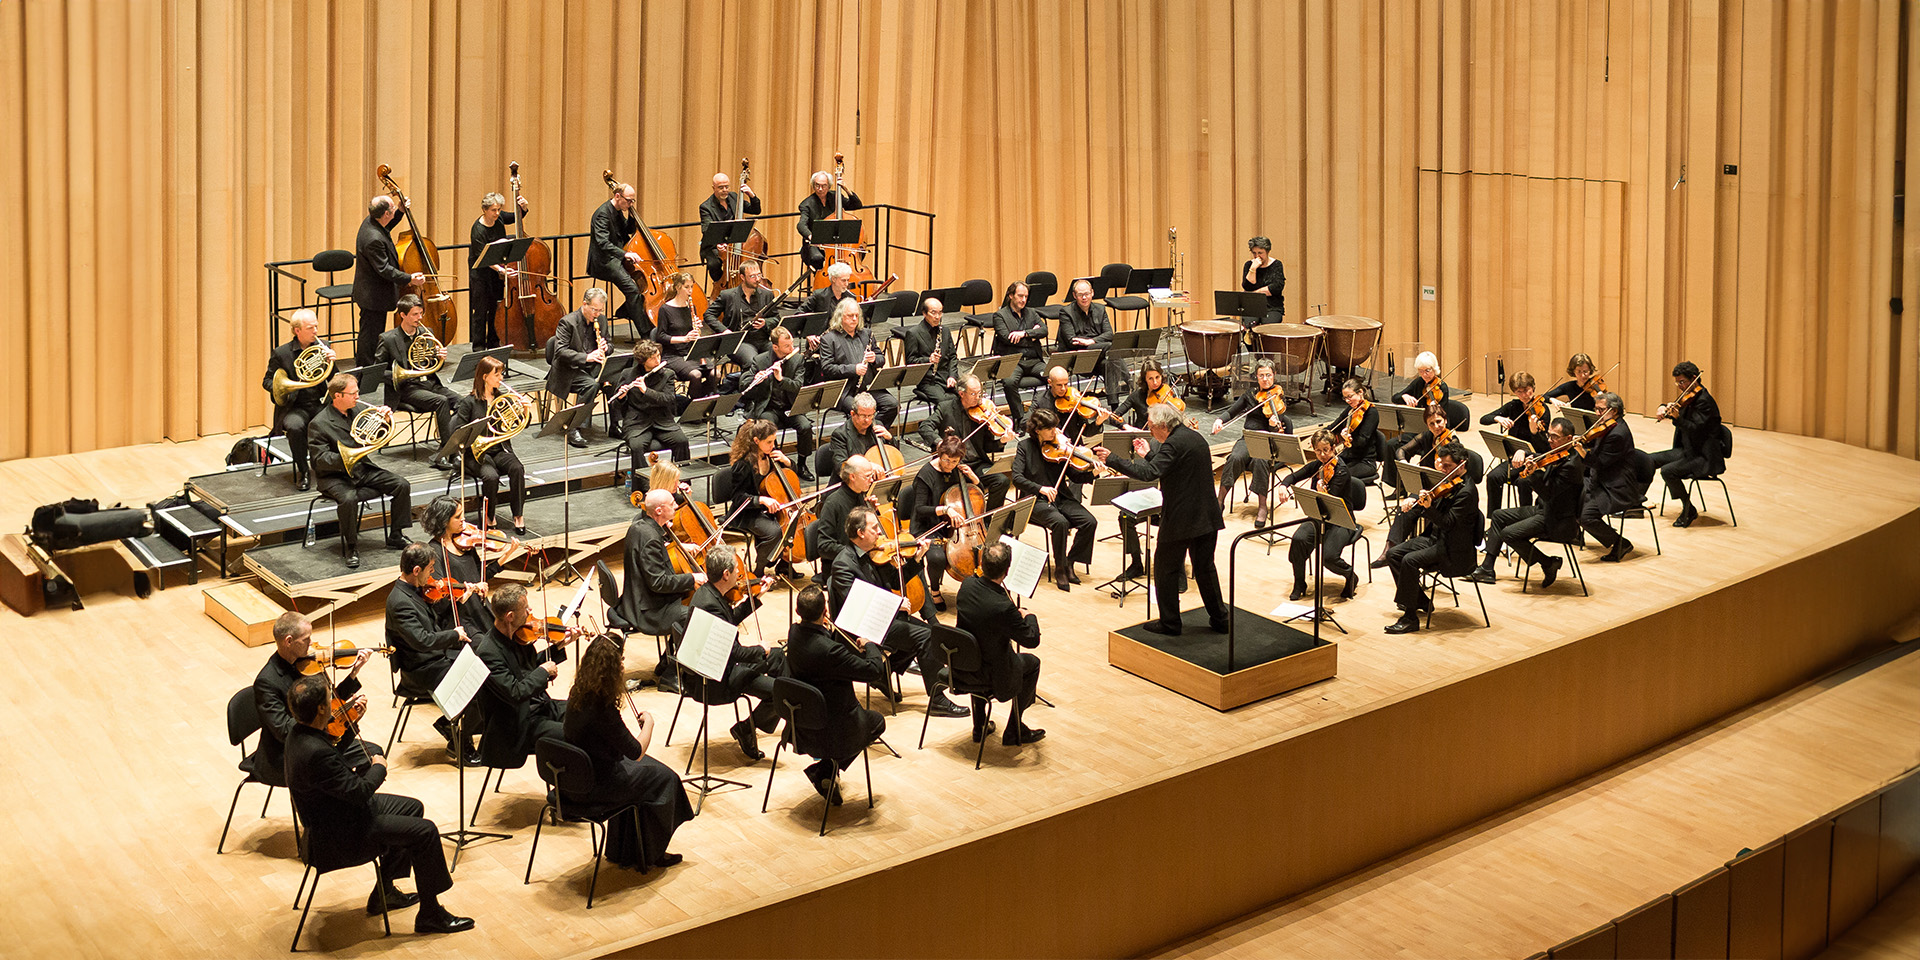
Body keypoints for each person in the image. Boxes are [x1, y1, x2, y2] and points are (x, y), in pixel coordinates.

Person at [283, 676, 473, 935]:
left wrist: (351, 725)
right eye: (329, 698)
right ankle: (431, 914)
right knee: (425, 831)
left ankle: (384, 893)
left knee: (412, 808)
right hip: (340, 836)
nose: (333, 702)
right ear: (320, 709)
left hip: (338, 815)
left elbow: (334, 762)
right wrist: (378, 768)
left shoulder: (299, 733)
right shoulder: (315, 751)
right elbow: (359, 791)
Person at [561, 635, 693, 869]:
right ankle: (651, 854)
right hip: (598, 785)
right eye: (620, 661)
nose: (623, 665)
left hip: (576, 779)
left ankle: (622, 849)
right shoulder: (602, 707)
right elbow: (635, 751)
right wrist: (649, 723)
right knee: (666, 778)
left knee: (652, 772)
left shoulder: (577, 691)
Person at [1095, 404, 1229, 636]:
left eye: (1151, 426)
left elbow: (1149, 474)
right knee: (1205, 568)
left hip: (1182, 518)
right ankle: (1220, 619)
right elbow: (1172, 466)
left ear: (1163, 426)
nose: (1149, 430)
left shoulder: (1173, 444)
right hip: (1206, 514)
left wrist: (1113, 459)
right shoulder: (1192, 437)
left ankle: (1170, 623)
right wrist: (1149, 454)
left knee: (1165, 569)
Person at [829, 506, 970, 718]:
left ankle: (882, 672)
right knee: (926, 637)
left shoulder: (876, 553)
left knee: (929, 631)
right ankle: (937, 699)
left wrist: (916, 559)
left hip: (883, 618)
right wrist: (893, 604)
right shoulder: (843, 565)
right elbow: (857, 605)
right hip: (862, 626)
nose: (880, 532)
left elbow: (895, 580)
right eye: (874, 527)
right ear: (860, 533)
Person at [782, 585, 888, 804]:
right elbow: (873, 670)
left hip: (801, 725)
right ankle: (825, 768)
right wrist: (871, 647)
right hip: (832, 730)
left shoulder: (793, 633)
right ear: (825, 612)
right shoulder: (830, 651)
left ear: (797, 611)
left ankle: (826, 770)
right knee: (877, 722)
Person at [252, 611, 384, 780]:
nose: (312, 643)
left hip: (319, 741)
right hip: (287, 756)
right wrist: (326, 714)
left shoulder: (310, 665)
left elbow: (328, 700)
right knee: (332, 770)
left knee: (372, 754)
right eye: (306, 639)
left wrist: (353, 674)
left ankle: (353, 800)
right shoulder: (267, 682)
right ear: (289, 641)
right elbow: (284, 731)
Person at [686, 544, 785, 760]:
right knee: (781, 690)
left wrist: (756, 598)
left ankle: (787, 711)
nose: (741, 574)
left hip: (721, 665)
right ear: (726, 574)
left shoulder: (708, 593)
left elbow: (728, 622)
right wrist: (761, 650)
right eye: (737, 569)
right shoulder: (710, 605)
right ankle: (748, 728)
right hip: (717, 680)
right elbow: (735, 653)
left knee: (779, 657)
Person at [385, 544, 479, 762]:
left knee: (484, 669)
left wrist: (454, 600)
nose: (433, 575)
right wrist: (454, 635)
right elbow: (422, 640)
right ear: (416, 570)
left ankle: (451, 725)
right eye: (430, 569)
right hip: (420, 669)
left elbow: (431, 621)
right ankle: (460, 744)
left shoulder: (416, 591)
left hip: (434, 659)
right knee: (472, 685)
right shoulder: (400, 602)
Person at [307, 374, 411, 569]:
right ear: (337, 396)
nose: (358, 396)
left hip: (362, 469)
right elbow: (318, 460)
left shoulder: (361, 410)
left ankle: (396, 535)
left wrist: (385, 420)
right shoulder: (319, 423)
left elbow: (379, 440)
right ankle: (351, 547)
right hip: (335, 477)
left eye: (357, 392)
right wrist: (344, 458)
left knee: (401, 485)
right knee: (348, 499)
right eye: (353, 393)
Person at [1468, 418, 1584, 586]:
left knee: (1508, 533)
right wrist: (1524, 452)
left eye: (1555, 437)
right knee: (1498, 516)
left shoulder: (1572, 465)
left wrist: (1532, 474)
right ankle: (1487, 569)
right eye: (1549, 435)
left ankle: (1548, 563)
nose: (1549, 440)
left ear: (1569, 438)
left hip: (1558, 519)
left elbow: (1547, 494)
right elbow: (1543, 456)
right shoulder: (1560, 452)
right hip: (1545, 510)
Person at [1383, 442, 1480, 635]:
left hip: (1452, 548)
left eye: (1448, 466)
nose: (1442, 470)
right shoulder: (1446, 481)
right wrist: (1415, 502)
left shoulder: (1467, 492)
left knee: (1410, 561)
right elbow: (1431, 501)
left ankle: (1410, 618)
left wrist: (1428, 507)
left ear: (1461, 465)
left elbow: (1448, 523)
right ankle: (1420, 601)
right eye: (1441, 464)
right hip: (1436, 538)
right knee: (1393, 554)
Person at [954, 541, 1045, 746]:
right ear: (1007, 571)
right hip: (991, 672)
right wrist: (1029, 616)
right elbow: (1031, 640)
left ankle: (980, 726)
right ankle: (1014, 730)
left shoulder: (967, 585)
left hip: (962, 666)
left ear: (982, 564)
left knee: (979, 648)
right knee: (1032, 663)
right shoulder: (1003, 607)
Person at [618, 489, 706, 690]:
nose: (676, 506)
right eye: (672, 504)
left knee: (690, 609)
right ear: (659, 510)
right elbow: (658, 582)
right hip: (647, 610)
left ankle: (668, 661)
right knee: (695, 615)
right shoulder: (650, 539)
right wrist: (691, 578)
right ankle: (671, 675)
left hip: (637, 599)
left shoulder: (640, 527)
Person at [473, 584, 567, 770]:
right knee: (572, 734)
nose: (530, 611)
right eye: (525, 608)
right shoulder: (488, 652)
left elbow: (528, 668)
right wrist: (543, 671)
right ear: (510, 617)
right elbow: (516, 692)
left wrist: (558, 648)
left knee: (586, 713)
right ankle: (569, 791)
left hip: (539, 707)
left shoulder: (518, 636)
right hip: (518, 724)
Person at [1011, 408, 1100, 591]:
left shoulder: (1060, 447)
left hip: (1061, 497)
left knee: (1089, 521)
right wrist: (1040, 488)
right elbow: (1017, 478)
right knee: (1060, 523)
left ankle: (1070, 561)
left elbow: (1075, 476)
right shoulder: (1025, 447)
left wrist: (1093, 474)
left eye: (1056, 427)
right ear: (1037, 430)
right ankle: (1059, 568)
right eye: (1050, 429)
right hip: (1035, 500)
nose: (1056, 432)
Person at [1273, 429, 1361, 602]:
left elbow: (1331, 502)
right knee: (1298, 540)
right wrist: (1284, 485)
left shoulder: (1341, 471)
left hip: (1341, 520)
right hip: (1320, 517)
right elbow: (1295, 476)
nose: (1322, 455)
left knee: (1328, 557)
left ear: (1334, 448)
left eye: (1326, 450)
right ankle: (1299, 583)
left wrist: (1322, 493)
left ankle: (1351, 575)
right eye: (1318, 451)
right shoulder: (1317, 466)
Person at [899, 433, 984, 609]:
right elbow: (920, 509)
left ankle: (976, 588)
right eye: (946, 461)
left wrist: (973, 477)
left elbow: (977, 494)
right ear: (940, 455)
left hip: (956, 526)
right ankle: (935, 590)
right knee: (937, 557)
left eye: (954, 462)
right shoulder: (926, 474)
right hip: (928, 524)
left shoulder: (957, 470)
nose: (950, 465)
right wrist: (945, 509)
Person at [449, 356, 533, 533]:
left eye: (501, 374)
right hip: (476, 453)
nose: (501, 378)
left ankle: (518, 515)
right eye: (497, 375)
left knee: (517, 468)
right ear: (485, 377)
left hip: (499, 449)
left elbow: (520, 422)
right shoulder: (469, 402)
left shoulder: (504, 399)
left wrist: (525, 410)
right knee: (491, 476)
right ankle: (490, 516)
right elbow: (459, 432)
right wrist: (477, 425)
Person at [376, 294, 459, 470]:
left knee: (463, 402)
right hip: (406, 389)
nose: (419, 318)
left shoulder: (427, 333)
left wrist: (439, 357)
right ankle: (447, 452)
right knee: (441, 402)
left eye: (421, 313)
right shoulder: (388, 339)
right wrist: (401, 375)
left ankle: (451, 448)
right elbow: (378, 372)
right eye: (415, 314)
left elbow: (432, 366)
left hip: (430, 384)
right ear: (403, 315)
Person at [1210, 359, 1295, 525]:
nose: (1265, 379)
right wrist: (1220, 420)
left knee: (1260, 461)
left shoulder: (1279, 397)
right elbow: (1233, 410)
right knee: (1234, 457)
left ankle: (1262, 506)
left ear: (1274, 376)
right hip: (1248, 439)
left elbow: (1280, 429)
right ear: (1256, 377)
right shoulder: (1250, 395)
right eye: (1261, 375)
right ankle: (1219, 501)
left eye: (1268, 375)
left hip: (1269, 442)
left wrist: (1272, 426)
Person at [916, 375, 1012, 513]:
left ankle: (987, 520)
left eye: (980, 393)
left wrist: (1002, 441)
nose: (978, 397)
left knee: (1002, 481)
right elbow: (925, 426)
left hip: (977, 464)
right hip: (952, 464)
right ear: (961, 394)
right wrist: (938, 442)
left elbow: (987, 446)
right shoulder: (946, 407)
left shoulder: (983, 413)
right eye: (973, 394)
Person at [263, 309, 334, 491]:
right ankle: (304, 471)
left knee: (337, 420)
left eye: (316, 326)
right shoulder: (282, 353)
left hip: (318, 403)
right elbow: (267, 381)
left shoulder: (323, 347)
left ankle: (332, 467)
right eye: (311, 328)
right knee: (295, 427)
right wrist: (285, 386)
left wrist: (333, 363)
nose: (316, 331)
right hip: (293, 406)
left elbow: (336, 380)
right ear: (297, 331)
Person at [352, 194, 425, 365]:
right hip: (372, 295)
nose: (394, 209)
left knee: (372, 333)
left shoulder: (372, 221)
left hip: (373, 291)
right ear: (385, 213)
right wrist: (409, 278)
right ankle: (365, 372)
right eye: (392, 208)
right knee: (369, 337)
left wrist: (399, 211)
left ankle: (370, 369)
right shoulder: (373, 238)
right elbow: (384, 269)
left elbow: (386, 226)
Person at [1650, 361, 1724, 528]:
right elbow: (1680, 414)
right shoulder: (1689, 398)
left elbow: (1696, 430)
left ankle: (1688, 508)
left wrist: (1677, 418)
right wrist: (1664, 408)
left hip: (1704, 456)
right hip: (1688, 450)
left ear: (1694, 379)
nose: (1680, 386)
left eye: (1682, 382)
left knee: (1668, 471)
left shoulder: (1704, 401)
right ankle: (1635, 502)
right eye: (1677, 382)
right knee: (1649, 459)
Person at [740, 326, 816, 480]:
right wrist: (757, 380)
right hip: (769, 408)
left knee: (805, 426)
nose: (791, 348)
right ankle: (771, 466)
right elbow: (744, 386)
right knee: (766, 428)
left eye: (791, 344)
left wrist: (781, 380)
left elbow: (797, 386)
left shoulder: (797, 359)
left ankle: (801, 464)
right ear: (775, 347)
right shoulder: (760, 360)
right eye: (786, 346)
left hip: (790, 407)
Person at [725, 419, 799, 576]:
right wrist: (761, 500)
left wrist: (788, 462)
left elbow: (791, 476)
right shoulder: (743, 464)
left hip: (773, 508)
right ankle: (759, 570)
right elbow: (738, 498)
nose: (773, 445)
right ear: (756, 441)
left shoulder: (773, 456)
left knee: (793, 525)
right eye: (769, 442)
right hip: (747, 512)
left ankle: (784, 564)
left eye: (774, 440)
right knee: (774, 532)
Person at [611, 341, 690, 488]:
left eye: (658, 355)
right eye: (653, 358)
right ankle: (645, 488)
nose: (658, 360)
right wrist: (621, 397)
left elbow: (668, 399)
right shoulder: (628, 374)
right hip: (637, 423)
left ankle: (682, 485)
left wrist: (646, 391)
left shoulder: (667, 374)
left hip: (663, 421)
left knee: (682, 441)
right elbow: (616, 406)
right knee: (636, 446)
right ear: (643, 362)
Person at [418, 495, 495, 640]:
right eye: (458, 517)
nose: (463, 520)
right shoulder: (434, 552)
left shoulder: (464, 543)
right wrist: (464, 592)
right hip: (460, 618)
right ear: (444, 520)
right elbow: (439, 599)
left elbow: (478, 574)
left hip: (480, 609)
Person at [1577, 391, 1642, 562]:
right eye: (1596, 409)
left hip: (1617, 486)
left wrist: (1582, 451)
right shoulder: (1609, 426)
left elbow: (1598, 462)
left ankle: (1621, 543)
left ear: (1613, 411)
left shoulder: (1617, 433)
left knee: (1587, 517)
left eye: (1601, 410)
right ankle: (1574, 535)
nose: (1597, 413)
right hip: (1602, 479)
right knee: (1572, 494)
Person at [545, 287, 612, 448]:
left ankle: (616, 424)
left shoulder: (601, 320)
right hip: (568, 370)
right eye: (594, 310)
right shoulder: (567, 322)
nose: (597, 314)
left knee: (615, 378)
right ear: (584, 304)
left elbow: (610, 344)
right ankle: (573, 428)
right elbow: (560, 352)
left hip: (591, 367)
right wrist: (587, 357)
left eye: (600, 310)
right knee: (592, 385)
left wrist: (606, 347)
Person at [818, 296, 899, 427]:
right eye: (850, 316)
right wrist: (853, 369)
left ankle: (874, 434)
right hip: (846, 391)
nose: (854, 319)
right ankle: (870, 436)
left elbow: (881, 359)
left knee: (892, 405)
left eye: (856, 315)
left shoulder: (866, 334)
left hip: (868, 387)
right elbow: (827, 368)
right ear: (840, 317)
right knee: (861, 412)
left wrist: (874, 359)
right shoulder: (829, 339)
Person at [1478, 371, 1551, 517]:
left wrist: (1534, 432)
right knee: (1493, 477)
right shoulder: (1513, 407)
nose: (1524, 395)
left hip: (1534, 461)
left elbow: (1544, 447)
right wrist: (1498, 418)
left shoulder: (1543, 411)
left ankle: (1525, 520)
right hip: (1514, 460)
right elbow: (1483, 419)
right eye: (1519, 392)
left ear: (1533, 387)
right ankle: (1494, 519)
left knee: (1523, 482)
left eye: (1526, 390)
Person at [467, 190, 529, 352]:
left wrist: (523, 207)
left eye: (499, 209)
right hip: (480, 274)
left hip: (496, 273)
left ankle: (494, 343)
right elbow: (482, 257)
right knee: (481, 311)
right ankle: (479, 347)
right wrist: (502, 270)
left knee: (495, 307)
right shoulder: (478, 230)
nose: (497, 213)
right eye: (493, 210)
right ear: (485, 210)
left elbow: (516, 216)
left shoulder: (499, 218)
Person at [588, 181, 645, 332]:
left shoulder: (618, 210)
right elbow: (603, 243)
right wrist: (625, 254)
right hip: (604, 261)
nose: (630, 204)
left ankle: (627, 309)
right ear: (618, 196)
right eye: (628, 200)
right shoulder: (602, 214)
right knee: (632, 290)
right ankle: (645, 333)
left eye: (633, 200)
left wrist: (632, 217)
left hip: (617, 257)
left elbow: (627, 230)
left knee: (640, 286)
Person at [1056, 279, 1126, 400]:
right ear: (1074, 295)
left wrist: (1091, 342)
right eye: (1080, 295)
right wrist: (1096, 342)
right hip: (1078, 359)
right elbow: (1072, 341)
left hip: (1098, 357)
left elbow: (1109, 333)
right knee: (1110, 346)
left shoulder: (1100, 309)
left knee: (1109, 364)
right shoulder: (1066, 312)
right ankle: (1129, 381)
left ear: (1092, 293)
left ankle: (1115, 411)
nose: (1084, 297)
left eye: (1087, 294)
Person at [703, 258, 779, 369]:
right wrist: (724, 330)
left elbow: (776, 318)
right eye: (752, 276)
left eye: (759, 275)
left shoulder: (767, 294)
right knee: (753, 362)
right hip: (739, 342)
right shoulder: (728, 295)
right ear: (742, 277)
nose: (757, 279)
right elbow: (708, 314)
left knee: (782, 355)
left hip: (763, 340)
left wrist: (765, 323)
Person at [650, 271, 715, 398]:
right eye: (687, 287)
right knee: (696, 375)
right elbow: (660, 336)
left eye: (691, 287)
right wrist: (684, 338)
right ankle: (691, 408)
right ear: (677, 287)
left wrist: (697, 329)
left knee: (715, 374)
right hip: (673, 355)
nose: (690, 291)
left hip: (691, 352)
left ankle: (700, 403)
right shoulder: (665, 309)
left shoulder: (691, 308)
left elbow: (693, 334)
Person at [991, 281, 1048, 423]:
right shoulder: (999, 316)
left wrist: (1024, 333)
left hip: (1034, 361)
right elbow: (1007, 339)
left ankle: (1038, 414)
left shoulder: (1032, 313)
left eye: (1026, 296)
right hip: (1013, 362)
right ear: (1011, 295)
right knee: (1009, 383)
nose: (1023, 300)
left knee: (1055, 376)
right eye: (1020, 296)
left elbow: (1045, 330)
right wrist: (1033, 335)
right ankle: (1020, 419)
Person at [809, 455, 876, 575]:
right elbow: (824, 546)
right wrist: (856, 551)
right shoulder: (833, 503)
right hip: (841, 567)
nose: (871, 480)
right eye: (867, 476)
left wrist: (872, 511)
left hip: (860, 560)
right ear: (852, 477)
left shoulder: (861, 496)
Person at [697, 170, 761, 284]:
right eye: (721, 187)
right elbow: (707, 229)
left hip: (734, 242)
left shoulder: (734, 197)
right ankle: (720, 285)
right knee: (714, 264)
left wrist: (751, 195)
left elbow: (756, 210)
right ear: (714, 188)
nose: (725, 190)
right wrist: (718, 243)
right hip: (714, 245)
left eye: (727, 187)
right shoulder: (706, 207)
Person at [817, 392, 893, 482]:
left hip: (874, 480)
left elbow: (894, 456)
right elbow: (841, 466)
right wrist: (868, 466)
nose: (868, 420)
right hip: (849, 484)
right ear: (853, 414)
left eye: (870, 415)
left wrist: (890, 439)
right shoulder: (840, 435)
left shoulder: (877, 426)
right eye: (863, 416)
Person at [796, 168, 863, 272]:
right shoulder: (806, 204)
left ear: (829, 186)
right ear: (813, 186)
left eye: (823, 186)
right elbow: (801, 225)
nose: (820, 189)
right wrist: (811, 236)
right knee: (817, 258)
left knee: (859, 252)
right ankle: (820, 283)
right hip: (815, 244)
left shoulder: (835, 197)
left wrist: (846, 188)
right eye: (817, 185)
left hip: (835, 242)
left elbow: (856, 205)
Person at [902, 297, 959, 412]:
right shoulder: (913, 333)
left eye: (940, 312)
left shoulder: (945, 331)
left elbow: (953, 357)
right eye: (933, 313)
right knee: (945, 402)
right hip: (928, 381)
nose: (937, 317)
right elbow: (910, 361)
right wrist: (928, 359)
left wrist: (952, 376)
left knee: (968, 394)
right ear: (924, 313)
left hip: (945, 377)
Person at [1334, 378, 1381, 482]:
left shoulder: (1371, 412)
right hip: (1349, 457)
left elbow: (1361, 442)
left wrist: (1349, 437)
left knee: (1338, 476)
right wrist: (1319, 436)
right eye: (1345, 398)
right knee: (1322, 469)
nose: (1347, 401)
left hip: (1365, 461)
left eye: (1350, 397)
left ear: (1360, 392)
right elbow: (1335, 425)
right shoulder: (1351, 410)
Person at [1242, 236, 1286, 326]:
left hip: (1272, 307)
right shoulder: (1249, 265)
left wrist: (1253, 294)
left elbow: (1276, 288)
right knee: (1249, 324)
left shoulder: (1277, 265)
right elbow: (1247, 286)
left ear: (1267, 251)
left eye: (1260, 253)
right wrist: (1253, 268)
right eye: (1254, 253)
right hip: (1252, 306)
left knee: (1267, 325)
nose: (1257, 256)